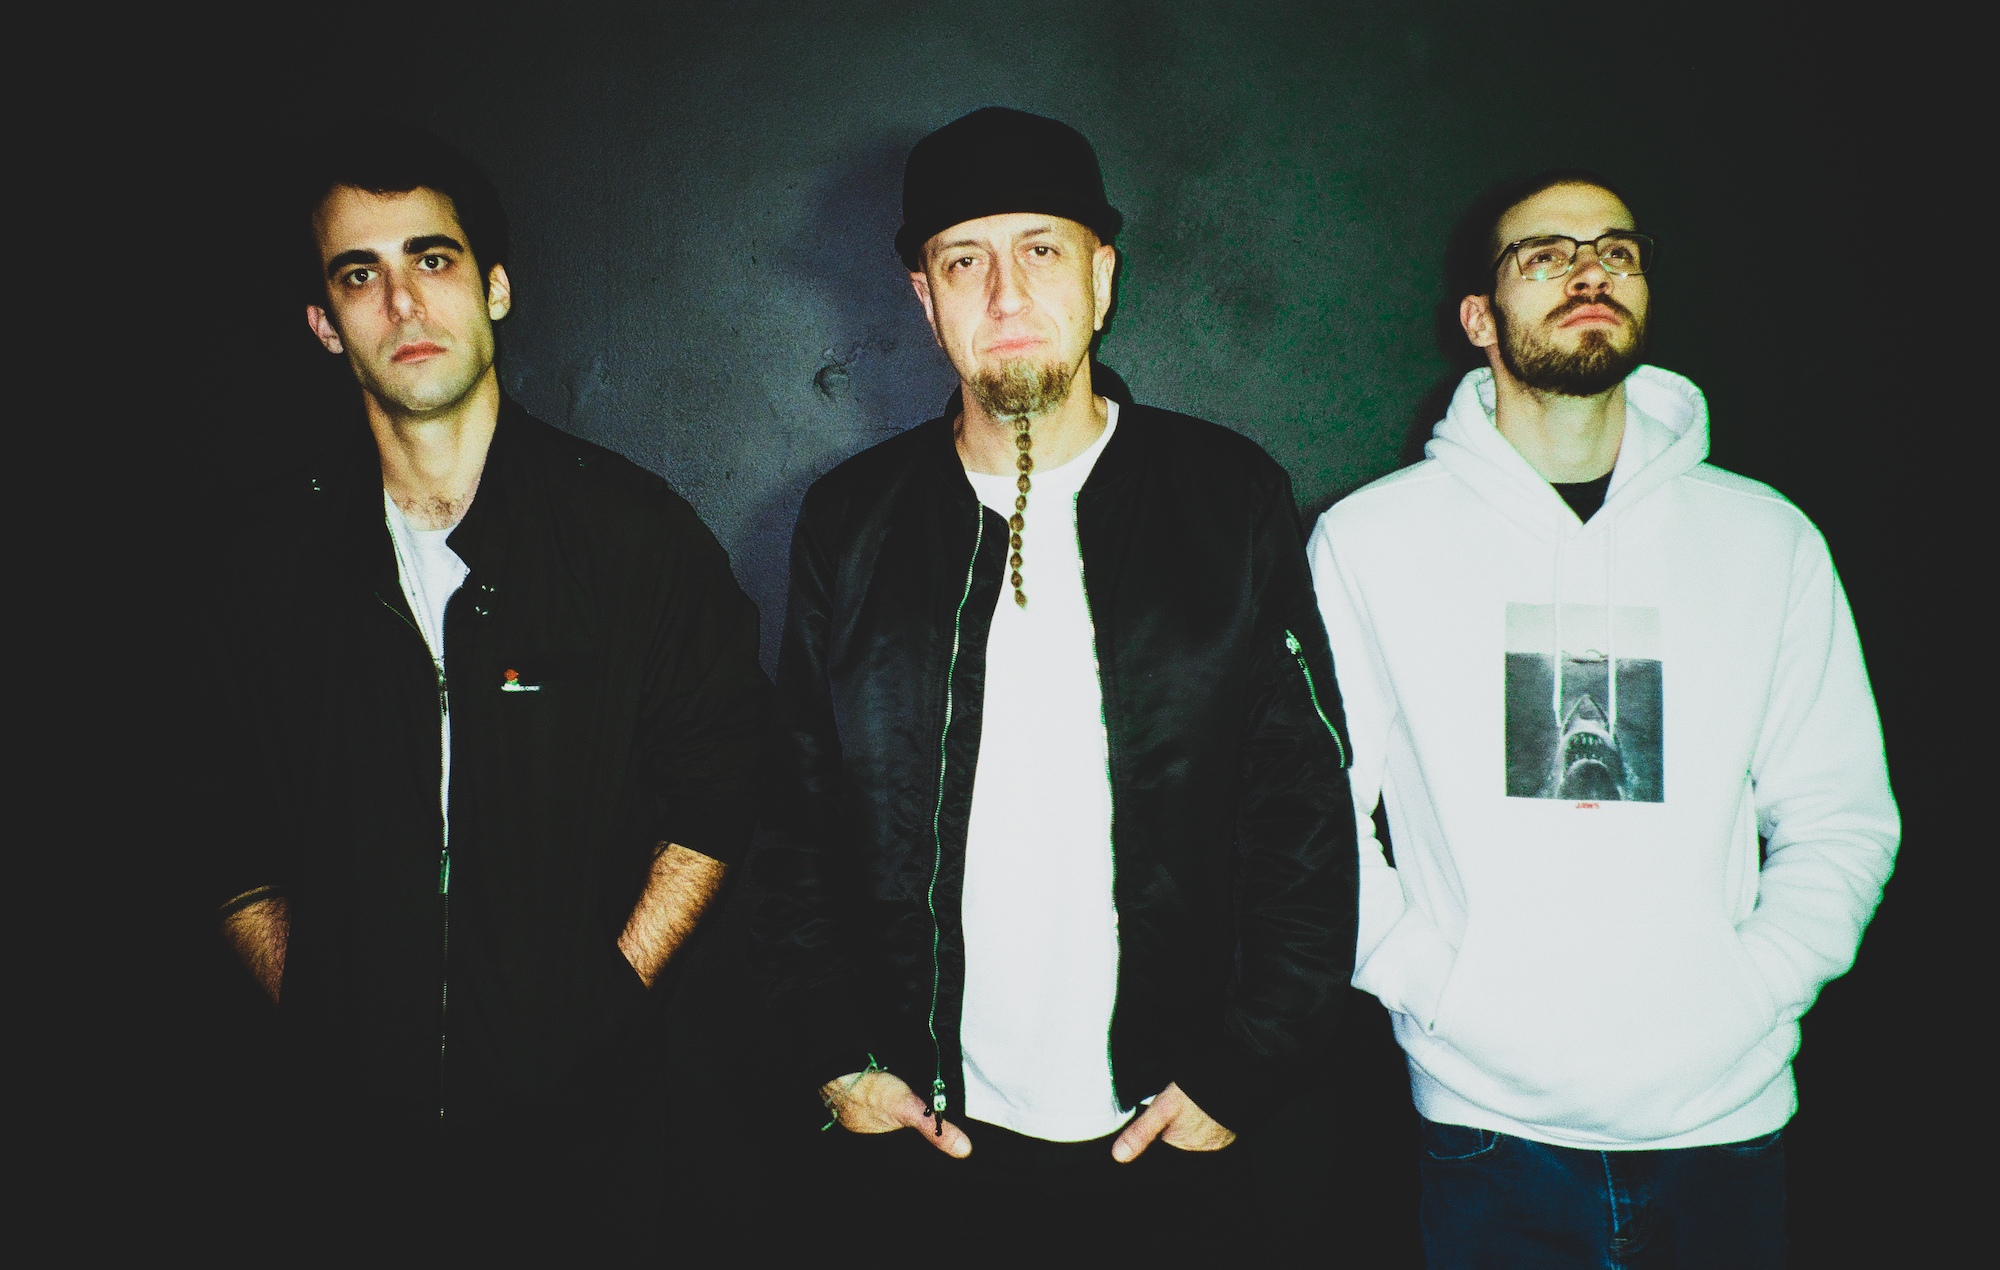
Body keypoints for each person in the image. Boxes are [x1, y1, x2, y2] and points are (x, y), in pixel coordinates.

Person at [756, 107, 1358, 1260]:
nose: (1005, 294)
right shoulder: (852, 521)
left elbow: (1301, 806)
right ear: (923, 298)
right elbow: (797, 809)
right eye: (962, 261)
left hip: (1165, 1132)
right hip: (927, 1138)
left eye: (1040, 248)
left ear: (1101, 277)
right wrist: (835, 1055)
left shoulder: (1225, 497)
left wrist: (1244, 1066)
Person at [1307, 169, 1898, 1268]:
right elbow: (1312, 819)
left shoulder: (1765, 541)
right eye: (1545, 255)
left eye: (1616, 251)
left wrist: (1753, 988)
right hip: (1487, 1133)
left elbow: (1841, 814)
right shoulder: (1369, 543)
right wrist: (1438, 991)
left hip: (1724, 1130)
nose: (1589, 270)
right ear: (1478, 318)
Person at [204, 124, 768, 1249]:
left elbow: (721, 790)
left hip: (583, 1154)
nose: (402, 303)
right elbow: (217, 817)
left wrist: (600, 1005)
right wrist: (317, 1013)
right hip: (337, 1160)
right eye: (358, 274)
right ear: (324, 323)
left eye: (433, 258)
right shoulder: (265, 561)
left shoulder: (632, 538)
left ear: (495, 288)